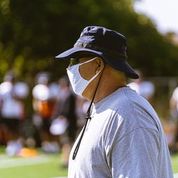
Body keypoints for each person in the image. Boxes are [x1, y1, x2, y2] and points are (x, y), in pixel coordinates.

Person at [55, 26, 173, 178]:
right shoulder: (107, 108)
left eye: (76, 60)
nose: (71, 68)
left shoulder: (128, 114)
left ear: (98, 65)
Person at [0, 71, 29, 156]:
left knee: (17, 130)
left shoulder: (20, 87)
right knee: (7, 129)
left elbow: (22, 99)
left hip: (17, 112)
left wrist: (13, 94)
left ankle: (17, 145)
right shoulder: (3, 86)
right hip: (6, 112)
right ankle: (10, 145)